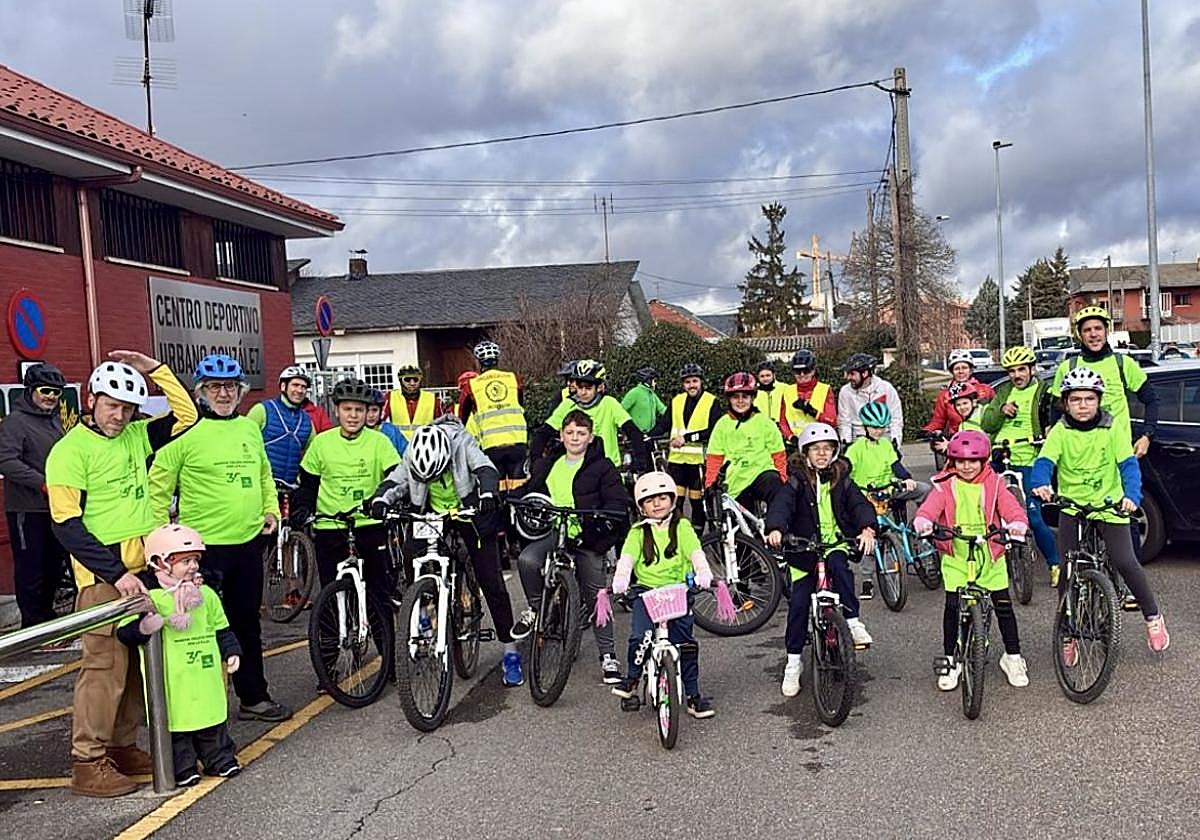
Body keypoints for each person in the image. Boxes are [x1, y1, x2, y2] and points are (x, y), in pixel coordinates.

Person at [45, 350, 197, 797]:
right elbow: (65, 525)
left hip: (140, 571)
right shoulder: (69, 452)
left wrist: (155, 370)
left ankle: (123, 746)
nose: (120, 415)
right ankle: (88, 761)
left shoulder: (135, 437)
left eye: (129, 407)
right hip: (102, 578)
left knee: (135, 669)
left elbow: (187, 415)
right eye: (112, 404)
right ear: (91, 399)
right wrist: (114, 571)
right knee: (103, 668)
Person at [148, 354, 290, 723]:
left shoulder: (248, 428)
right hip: (200, 552)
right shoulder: (186, 432)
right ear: (202, 391)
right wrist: (159, 539)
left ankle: (253, 697)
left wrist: (271, 510)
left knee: (246, 622)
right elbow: (159, 487)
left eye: (230, 386)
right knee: (198, 627)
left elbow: (263, 474)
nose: (223, 393)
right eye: (214, 387)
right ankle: (202, 710)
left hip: (246, 543)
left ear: (240, 391)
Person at [369, 418, 525, 686]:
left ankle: (510, 651)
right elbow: (397, 481)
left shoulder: (461, 442)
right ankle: (419, 608)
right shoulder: (415, 450)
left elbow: (486, 469)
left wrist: (487, 494)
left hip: (470, 513)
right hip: (431, 514)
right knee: (411, 553)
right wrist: (381, 498)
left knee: (491, 580)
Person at [1030, 367, 1170, 652]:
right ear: (1066, 403)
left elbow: (1128, 466)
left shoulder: (1113, 427)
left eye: (1089, 399)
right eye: (1076, 399)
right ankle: (1068, 632)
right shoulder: (1061, 431)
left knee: (1125, 561)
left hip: (1109, 506)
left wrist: (1131, 495)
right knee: (1068, 571)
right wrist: (1041, 482)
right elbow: (1045, 461)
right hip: (1073, 507)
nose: (1083, 405)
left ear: (1099, 400)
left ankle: (1152, 616)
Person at [116, 524, 242, 786]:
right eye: (185, 561)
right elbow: (124, 633)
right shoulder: (147, 597)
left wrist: (231, 651)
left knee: (213, 722)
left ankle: (220, 759)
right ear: (160, 563)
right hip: (170, 680)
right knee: (175, 729)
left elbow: (222, 628)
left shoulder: (206, 594)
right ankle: (182, 767)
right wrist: (142, 627)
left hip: (205, 676)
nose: (193, 566)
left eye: (195, 559)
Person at [511, 410, 627, 683]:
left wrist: (608, 516)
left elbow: (616, 500)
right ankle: (535, 608)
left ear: (590, 437)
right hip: (553, 530)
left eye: (581, 433)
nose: (575, 438)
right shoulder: (548, 464)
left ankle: (608, 656)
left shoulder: (602, 466)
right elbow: (529, 489)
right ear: (562, 436)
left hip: (587, 536)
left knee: (596, 596)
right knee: (528, 560)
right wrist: (504, 498)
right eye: (570, 432)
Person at [765, 423, 877, 694]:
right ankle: (793, 663)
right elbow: (782, 505)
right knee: (800, 603)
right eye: (816, 449)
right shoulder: (796, 482)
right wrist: (776, 529)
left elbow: (860, 504)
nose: (822, 454)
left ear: (835, 451)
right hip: (803, 550)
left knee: (840, 569)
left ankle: (852, 621)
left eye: (827, 449)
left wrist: (867, 528)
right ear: (805, 453)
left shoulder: (843, 479)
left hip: (833, 544)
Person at [914, 430, 1031, 690]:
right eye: (960, 461)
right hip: (956, 553)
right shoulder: (945, 484)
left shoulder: (995, 482)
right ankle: (950, 659)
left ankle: (1013, 657)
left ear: (984, 460)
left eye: (973, 460)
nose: (966, 466)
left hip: (990, 553)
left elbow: (1010, 507)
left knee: (1003, 606)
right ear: (952, 461)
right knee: (953, 606)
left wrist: (1016, 523)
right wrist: (924, 521)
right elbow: (930, 507)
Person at [609, 471, 715, 719]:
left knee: (686, 645)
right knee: (640, 637)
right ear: (641, 506)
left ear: (672, 500)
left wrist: (703, 571)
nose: (657, 504)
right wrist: (621, 579)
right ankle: (633, 679)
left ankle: (692, 696)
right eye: (650, 500)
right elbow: (627, 558)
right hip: (646, 594)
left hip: (677, 592)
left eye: (662, 498)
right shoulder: (637, 532)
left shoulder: (682, 527)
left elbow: (695, 552)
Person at [292, 379, 401, 613]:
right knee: (329, 598)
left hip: (369, 524)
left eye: (359, 410)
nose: (353, 416)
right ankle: (328, 648)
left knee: (378, 595)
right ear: (337, 411)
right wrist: (301, 509)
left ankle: (386, 649)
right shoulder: (322, 443)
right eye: (347, 409)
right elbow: (308, 485)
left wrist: (387, 502)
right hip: (330, 525)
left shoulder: (379, 442)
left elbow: (396, 478)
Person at [980, 345, 1059, 584]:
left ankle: (1055, 563)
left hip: (1031, 459)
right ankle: (994, 565)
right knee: (992, 514)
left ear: (1032, 369)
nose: (1017, 375)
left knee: (1033, 516)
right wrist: (1001, 411)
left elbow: (1056, 418)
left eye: (1021, 370)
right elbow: (986, 423)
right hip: (1002, 456)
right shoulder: (1003, 392)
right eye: (1012, 371)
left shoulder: (1044, 392)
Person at [0, 362, 69, 627]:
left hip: (56, 508)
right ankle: (32, 625)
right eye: (45, 390)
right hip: (27, 510)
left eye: (56, 392)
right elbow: (6, 461)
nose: (51, 396)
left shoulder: (53, 421)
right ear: (30, 391)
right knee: (31, 570)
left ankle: (47, 621)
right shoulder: (15, 422)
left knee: (53, 567)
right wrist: (43, 483)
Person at [843, 401, 930, 600]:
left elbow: (896, 466)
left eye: (883, 427)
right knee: (869, 535)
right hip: (866, 497)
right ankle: (867, 579)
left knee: (924, 489)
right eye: (875, 427)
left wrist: (907, 478)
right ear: (865, 426)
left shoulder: (885, 444)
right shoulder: (856, 448)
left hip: (889, 490)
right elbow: (846, 471)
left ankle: (922, 527)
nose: (879, 431)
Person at [1052, 306, 1158, 456]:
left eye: (1098, 328)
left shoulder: (1123, 363)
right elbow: (1056, 409)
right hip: (1079, 453)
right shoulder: (1068, 367)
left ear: (1106, 331)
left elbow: (1152, 400)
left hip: (1117, 451)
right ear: (1079, 334)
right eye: (1087, 330)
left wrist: (1147, 436)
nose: (1093, 334)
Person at [531, 360, 648, 470]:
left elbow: (632, 431)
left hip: (608, 469)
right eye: (580, 387)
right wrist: (536, 461)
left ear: (599, 387)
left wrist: (640, 460)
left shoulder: (609, 403)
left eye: (588, 388)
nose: (583, 392)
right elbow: (543, 433)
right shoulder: (568, 405)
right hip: (577, 470)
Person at [703, 372, 787, 511]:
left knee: (775, 485)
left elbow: (778, 455)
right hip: (735, 483)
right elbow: (714, 459)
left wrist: (783, 480)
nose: (740, 401)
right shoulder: (722, 425)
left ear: (752, 398)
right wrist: (709, 485)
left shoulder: (765, 422)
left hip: (762, 476)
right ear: (729, 399)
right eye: (735, 397)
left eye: (745, 396)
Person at [458, 340, 528, 493]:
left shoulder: (472, 385)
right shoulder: (512, 378)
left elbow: (462, 416)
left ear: (478, 362)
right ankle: (519, 515)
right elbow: (520, 403)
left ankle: (503, 515)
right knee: (519, 487)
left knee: (498, 487)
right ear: (497, 360)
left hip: (492, 445)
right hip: (517, 441)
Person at [666, 363, 723, 532]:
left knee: (697, 502)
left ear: (701, 382)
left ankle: (698, 537)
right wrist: (646, 436)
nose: (691, 385)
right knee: (676, 502)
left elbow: (714, 430)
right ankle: (677, 535)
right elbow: (664, 424)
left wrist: (688, 438)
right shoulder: (676, 401)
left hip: (698, 462)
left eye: (694, 381)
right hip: (677, 461)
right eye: (687, 382)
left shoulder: (712, 401)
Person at [247, 366, 319, 485]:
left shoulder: (307, 421)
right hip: (262, 484)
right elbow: (244, 443)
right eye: (295, 385)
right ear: (283, 386)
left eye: (303, 387)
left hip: (291, 487)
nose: (300, 390)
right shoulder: (262, 410)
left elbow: (314, 454)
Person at [923, 349, 996, 441]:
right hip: (956, 441)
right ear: (952, 372)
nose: (961, 371)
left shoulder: (985, 390)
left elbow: (996, 413)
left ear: (970, 370)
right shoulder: (945, 395)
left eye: (964, 368)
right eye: (957, 369)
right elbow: (938, 420)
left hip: (983, 440)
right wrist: (928, 431)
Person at [836, 354, 903, 444]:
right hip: (858, 439)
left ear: (865, 373)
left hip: (883, 437)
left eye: (852, 374)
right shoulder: (845, 391)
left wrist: (896, 442)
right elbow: (844, 422)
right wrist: (846, 444)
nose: (848, 378)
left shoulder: (886, 388)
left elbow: (896, 419)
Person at [780, 349, 837, 443]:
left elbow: (832, 421)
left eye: (806, 371)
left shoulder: (825, 389)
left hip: (819, 442)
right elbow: (783, 421)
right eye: (798, 371)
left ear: (813, 371)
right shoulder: (787, 391)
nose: (802, 375)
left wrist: (812, 411)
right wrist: (790, 437)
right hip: (794, 443)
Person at [386, 364, 440, 437]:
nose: (412, 383)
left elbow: (441, 424)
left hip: (425, 443)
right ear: (400, 381)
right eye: (407, 380)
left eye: (416, 380)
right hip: (398, 443)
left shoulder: (432, 399)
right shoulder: (390, 397)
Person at [620, 367, 667, 434]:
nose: (655, 383)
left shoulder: (652, 395)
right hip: (636, 434)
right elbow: (621, 411)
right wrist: (625, 430)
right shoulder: (634, 393)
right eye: (654, 380)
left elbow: (663, 410)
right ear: (648, 381)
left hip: (649, 433)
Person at [366, 387, 409, 456]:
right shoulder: (356, 431)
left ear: (380, 411)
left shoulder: (390, 430)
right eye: (367, 410)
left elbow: (407, 453)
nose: (371, 415)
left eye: (374, 410)